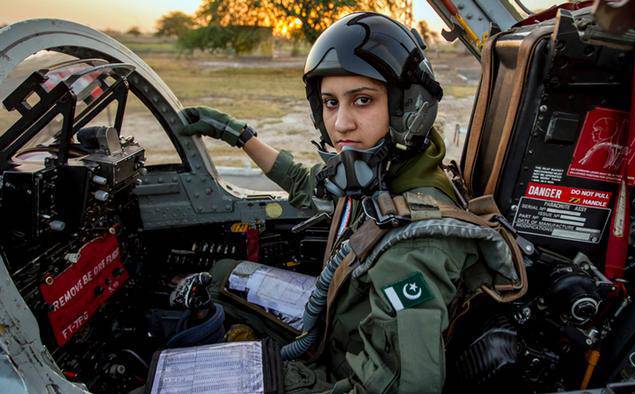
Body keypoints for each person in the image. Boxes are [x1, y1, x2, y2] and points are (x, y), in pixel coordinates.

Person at [179, 12, 519, 393]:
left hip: (339, 366)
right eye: (329, 102)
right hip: (334, 321)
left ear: (408, 107)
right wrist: (238, 134)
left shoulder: (412, 248)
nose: (340, 124)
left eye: (362, 100)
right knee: (223, 275)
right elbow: (306, 184)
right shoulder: (380, 175)